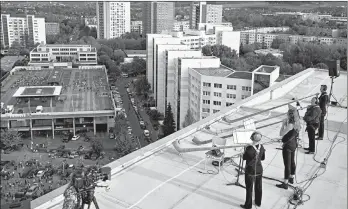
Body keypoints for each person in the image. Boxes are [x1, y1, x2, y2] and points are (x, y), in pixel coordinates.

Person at [276, 105, 301, 189]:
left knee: (287, 164)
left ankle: (285, 183)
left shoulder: (290, 125)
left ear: (289, 115)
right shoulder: (297, 123)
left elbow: (281, 133)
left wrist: (283, 124)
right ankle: (291, 177)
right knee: (292, 161)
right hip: (294, 144)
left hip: (288, 146)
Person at [240, 131, 265, 209]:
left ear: (252, 138)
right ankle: (258, 202)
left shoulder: (249, 148)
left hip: (250, 170)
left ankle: (248, 205)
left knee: (249, 188)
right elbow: (263, 158)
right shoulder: (262, 147)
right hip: (259, 169)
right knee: (258, 187)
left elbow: (244, 158)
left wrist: (243, 152)